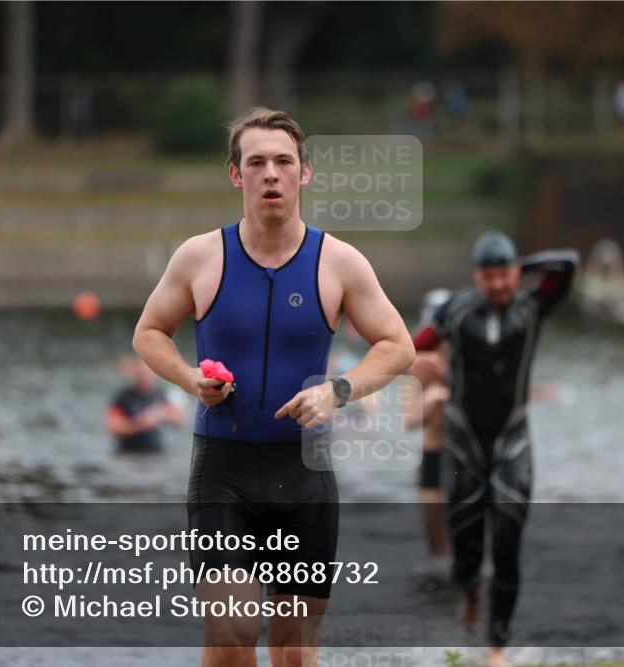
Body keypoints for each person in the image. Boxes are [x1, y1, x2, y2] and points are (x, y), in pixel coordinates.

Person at [133, 107, 415, 667]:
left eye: (283, 161)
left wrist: (337, 390)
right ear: (236, 175)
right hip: (223, 470)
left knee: (292, 649)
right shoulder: (200, 256)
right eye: (256, 162)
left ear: (303, 172)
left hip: (303, 475)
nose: (271, 174)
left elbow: (398, 346)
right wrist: (190, 378)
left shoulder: (338, 262)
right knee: (233, 632)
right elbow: (148, 333)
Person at [410, 232, 578, 667]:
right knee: (465, 550)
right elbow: (410, 344)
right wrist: (413, 361)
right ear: (476, 277)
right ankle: (469, 592)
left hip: (512, 443)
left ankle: (497, 645)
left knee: (507, 543)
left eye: (505, 275)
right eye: (489, 276)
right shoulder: (457, 310)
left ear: (516, 273)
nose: (499, 285)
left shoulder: (532, 307)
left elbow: (568, 265)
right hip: (464, 444)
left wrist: (522, 261)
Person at [404, 289, 453, 579]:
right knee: (438, 553)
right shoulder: (418, 365)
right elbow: (409, 420)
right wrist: (433, 399)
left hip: (468, 457)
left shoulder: (470, 356)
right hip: (433, 458)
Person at [105, 357, 183, 454]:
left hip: (155, 452)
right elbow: (113, 428)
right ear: (134, 375)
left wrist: (164, 414)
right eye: (140, 374)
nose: (144, 378)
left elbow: (178, 421)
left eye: (147, 374)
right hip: (129, 452)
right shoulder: (123, 397)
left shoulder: (160, 394)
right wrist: (142, 422)